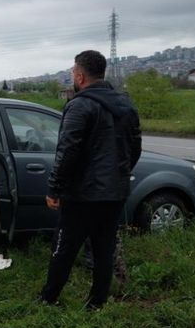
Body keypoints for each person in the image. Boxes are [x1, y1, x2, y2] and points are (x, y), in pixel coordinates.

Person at [40, 50, 141, 310]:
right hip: (115, 193)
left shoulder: (80, 105)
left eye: (73, 73)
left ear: (81, 76)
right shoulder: (126, 105)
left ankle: (49, 299)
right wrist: (119, 174)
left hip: (82, 194)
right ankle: (97, 303)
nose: (73, 77)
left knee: (64, 247)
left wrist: (54, 188)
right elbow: (135, 147)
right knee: (103, 249)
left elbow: (67, 151)